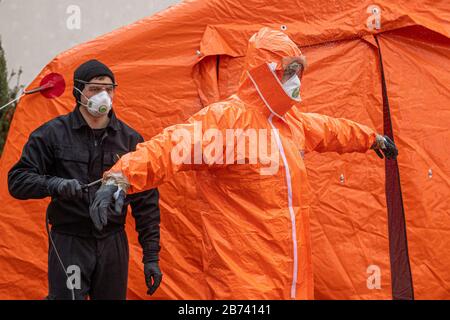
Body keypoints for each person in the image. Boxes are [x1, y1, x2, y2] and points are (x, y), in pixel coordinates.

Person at [90, 28, 398, 299]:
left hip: (292, 275)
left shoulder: (290, 123)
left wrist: (372, 139)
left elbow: (332, 131)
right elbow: (172, 146)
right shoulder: (227, 121)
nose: (295, 81)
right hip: (244, 277)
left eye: (297, 72)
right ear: (266, 71)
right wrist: (120, 177)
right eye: (288, 71)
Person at [8, 60, 162, 300]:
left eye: (109, 89)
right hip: (70, 242)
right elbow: (17, 180)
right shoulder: (52, 134)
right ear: (78, 92)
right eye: (94, 89)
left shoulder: (129, 140)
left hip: (112, 242)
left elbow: (146, 201)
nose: (103, 95)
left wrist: (151, 256)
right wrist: (55, 184)